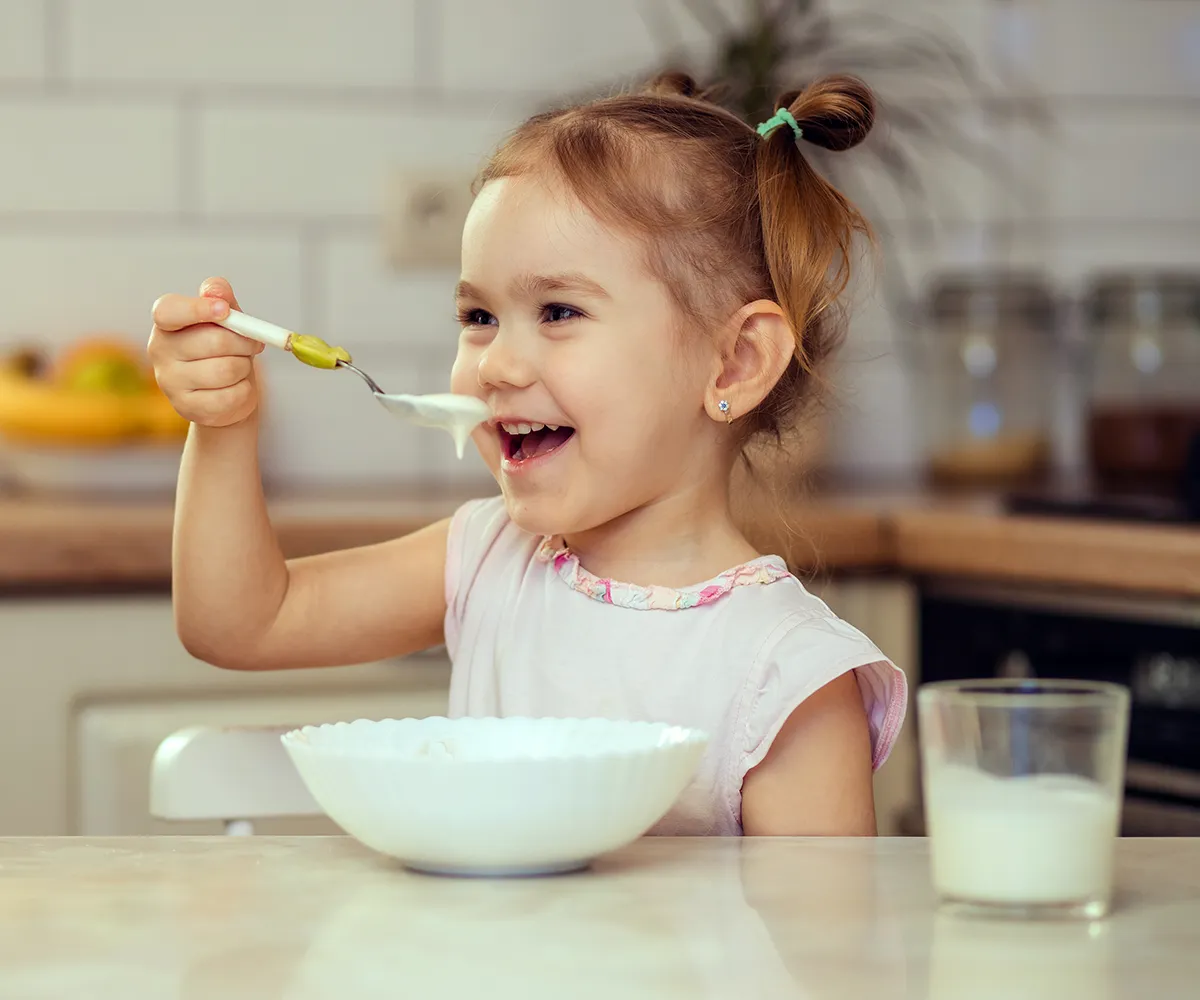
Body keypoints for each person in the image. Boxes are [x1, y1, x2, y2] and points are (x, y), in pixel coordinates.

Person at [148, 72, 907, 837]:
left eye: (558, 311)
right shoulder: (487, 561)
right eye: (479, 315)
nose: (497, 366)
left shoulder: (788, 681)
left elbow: (822, 951)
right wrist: (221, 429)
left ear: (736, 362)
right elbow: (239, 623)